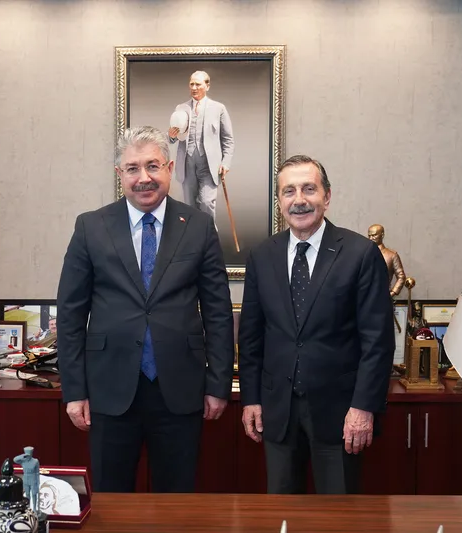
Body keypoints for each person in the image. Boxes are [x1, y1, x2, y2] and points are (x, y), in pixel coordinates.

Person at [56, 125, 234, 493]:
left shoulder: (199, 226)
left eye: (153, 166)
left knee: (177, 499)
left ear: (169, 168)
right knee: (111, 498)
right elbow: (71, 314)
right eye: (133, 168)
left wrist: (218, 383)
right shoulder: (91, 227)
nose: (144, 178)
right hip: (109, 388)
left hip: (180, 389)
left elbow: (217, 311)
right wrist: (74, 391)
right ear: (119, 174)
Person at [238, 154, 394, 494]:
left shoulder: (360, 254)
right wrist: (251, 399)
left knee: (338, 515)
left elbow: (378, 342)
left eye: (309, 189)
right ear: (279, 201)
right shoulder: (262, 256)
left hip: (340, 415)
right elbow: (251, 337)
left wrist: (363, 408)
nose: (299, 199)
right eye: (289, 191)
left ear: (327, 196)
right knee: (282, 512)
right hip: (278, 413)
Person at [167, 70, 234, 218]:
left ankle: (209, 231)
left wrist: (225, 163)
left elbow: (228, 139)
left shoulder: (218, 108)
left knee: (206, 202)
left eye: (198, 84)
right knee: (189, 205)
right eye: (191, 84)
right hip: (187, 164)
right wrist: (171, 136)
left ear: (207, 86)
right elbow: (174, 137)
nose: (194, 88)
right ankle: (193, 233)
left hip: (209, 165)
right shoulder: (181, 108)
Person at [367, 224, 406, 297]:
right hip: (365, 297)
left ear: (382, 235)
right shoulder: (364, 254)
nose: (371, 238)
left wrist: (393, 292)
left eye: (374, 235)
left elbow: (401, 277)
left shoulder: (392, 255)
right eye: (369, 236)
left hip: (383, 295)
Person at [14, 446, 40, 513]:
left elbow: (37, 472)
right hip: (26, 477)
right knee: (27, 494)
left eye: (29, 454)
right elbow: (15, 459)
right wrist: (23, 456)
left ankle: (34, 508)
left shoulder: (35, 461)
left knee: (34, 494)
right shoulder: (23, 461)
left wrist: (38, 481)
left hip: (33, 478)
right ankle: (28, 507)